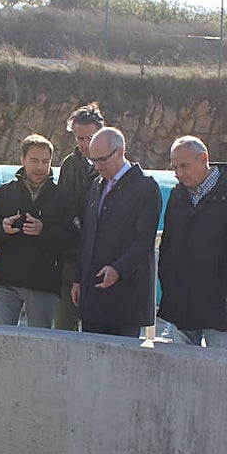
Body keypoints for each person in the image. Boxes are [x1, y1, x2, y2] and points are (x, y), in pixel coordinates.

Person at [157, 135, 227, 349]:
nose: (179, 174)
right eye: (175, 167)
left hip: (218, 306)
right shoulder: (178, 194)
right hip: (180, 302)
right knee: (181, 369)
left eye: (184, 166)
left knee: (217, 372)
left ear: (203, 159)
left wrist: (225, 289)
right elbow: (168, 244)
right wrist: (169, 283)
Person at [0, 134, 77, 328]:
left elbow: (73, 242)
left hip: (43, 285)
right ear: (22, 160)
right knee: (2, 341)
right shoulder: (4, 193)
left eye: (45, 161)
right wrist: (2, 228)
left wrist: (44, 230)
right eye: (34, 161)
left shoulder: (63, 198)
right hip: (6, 282)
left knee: (40, 345)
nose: (40, 167)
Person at [71, 126, 162, 336]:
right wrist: (79, 279)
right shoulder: (96, 185)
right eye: (94, 161)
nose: (97, 166)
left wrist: (118, 270)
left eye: (102, 160)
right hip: (93, 297)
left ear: (120, 152)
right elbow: (87, 237)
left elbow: (143, 241)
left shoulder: (145, 188)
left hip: (126, 301)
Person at [53, 102, 104, 331]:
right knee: (65, 326)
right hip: (72, 255)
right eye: (79, 138)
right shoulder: (69, 165)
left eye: (89, 138)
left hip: (102, 256)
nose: (84, 144)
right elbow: (62, 206)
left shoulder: (113, 166)